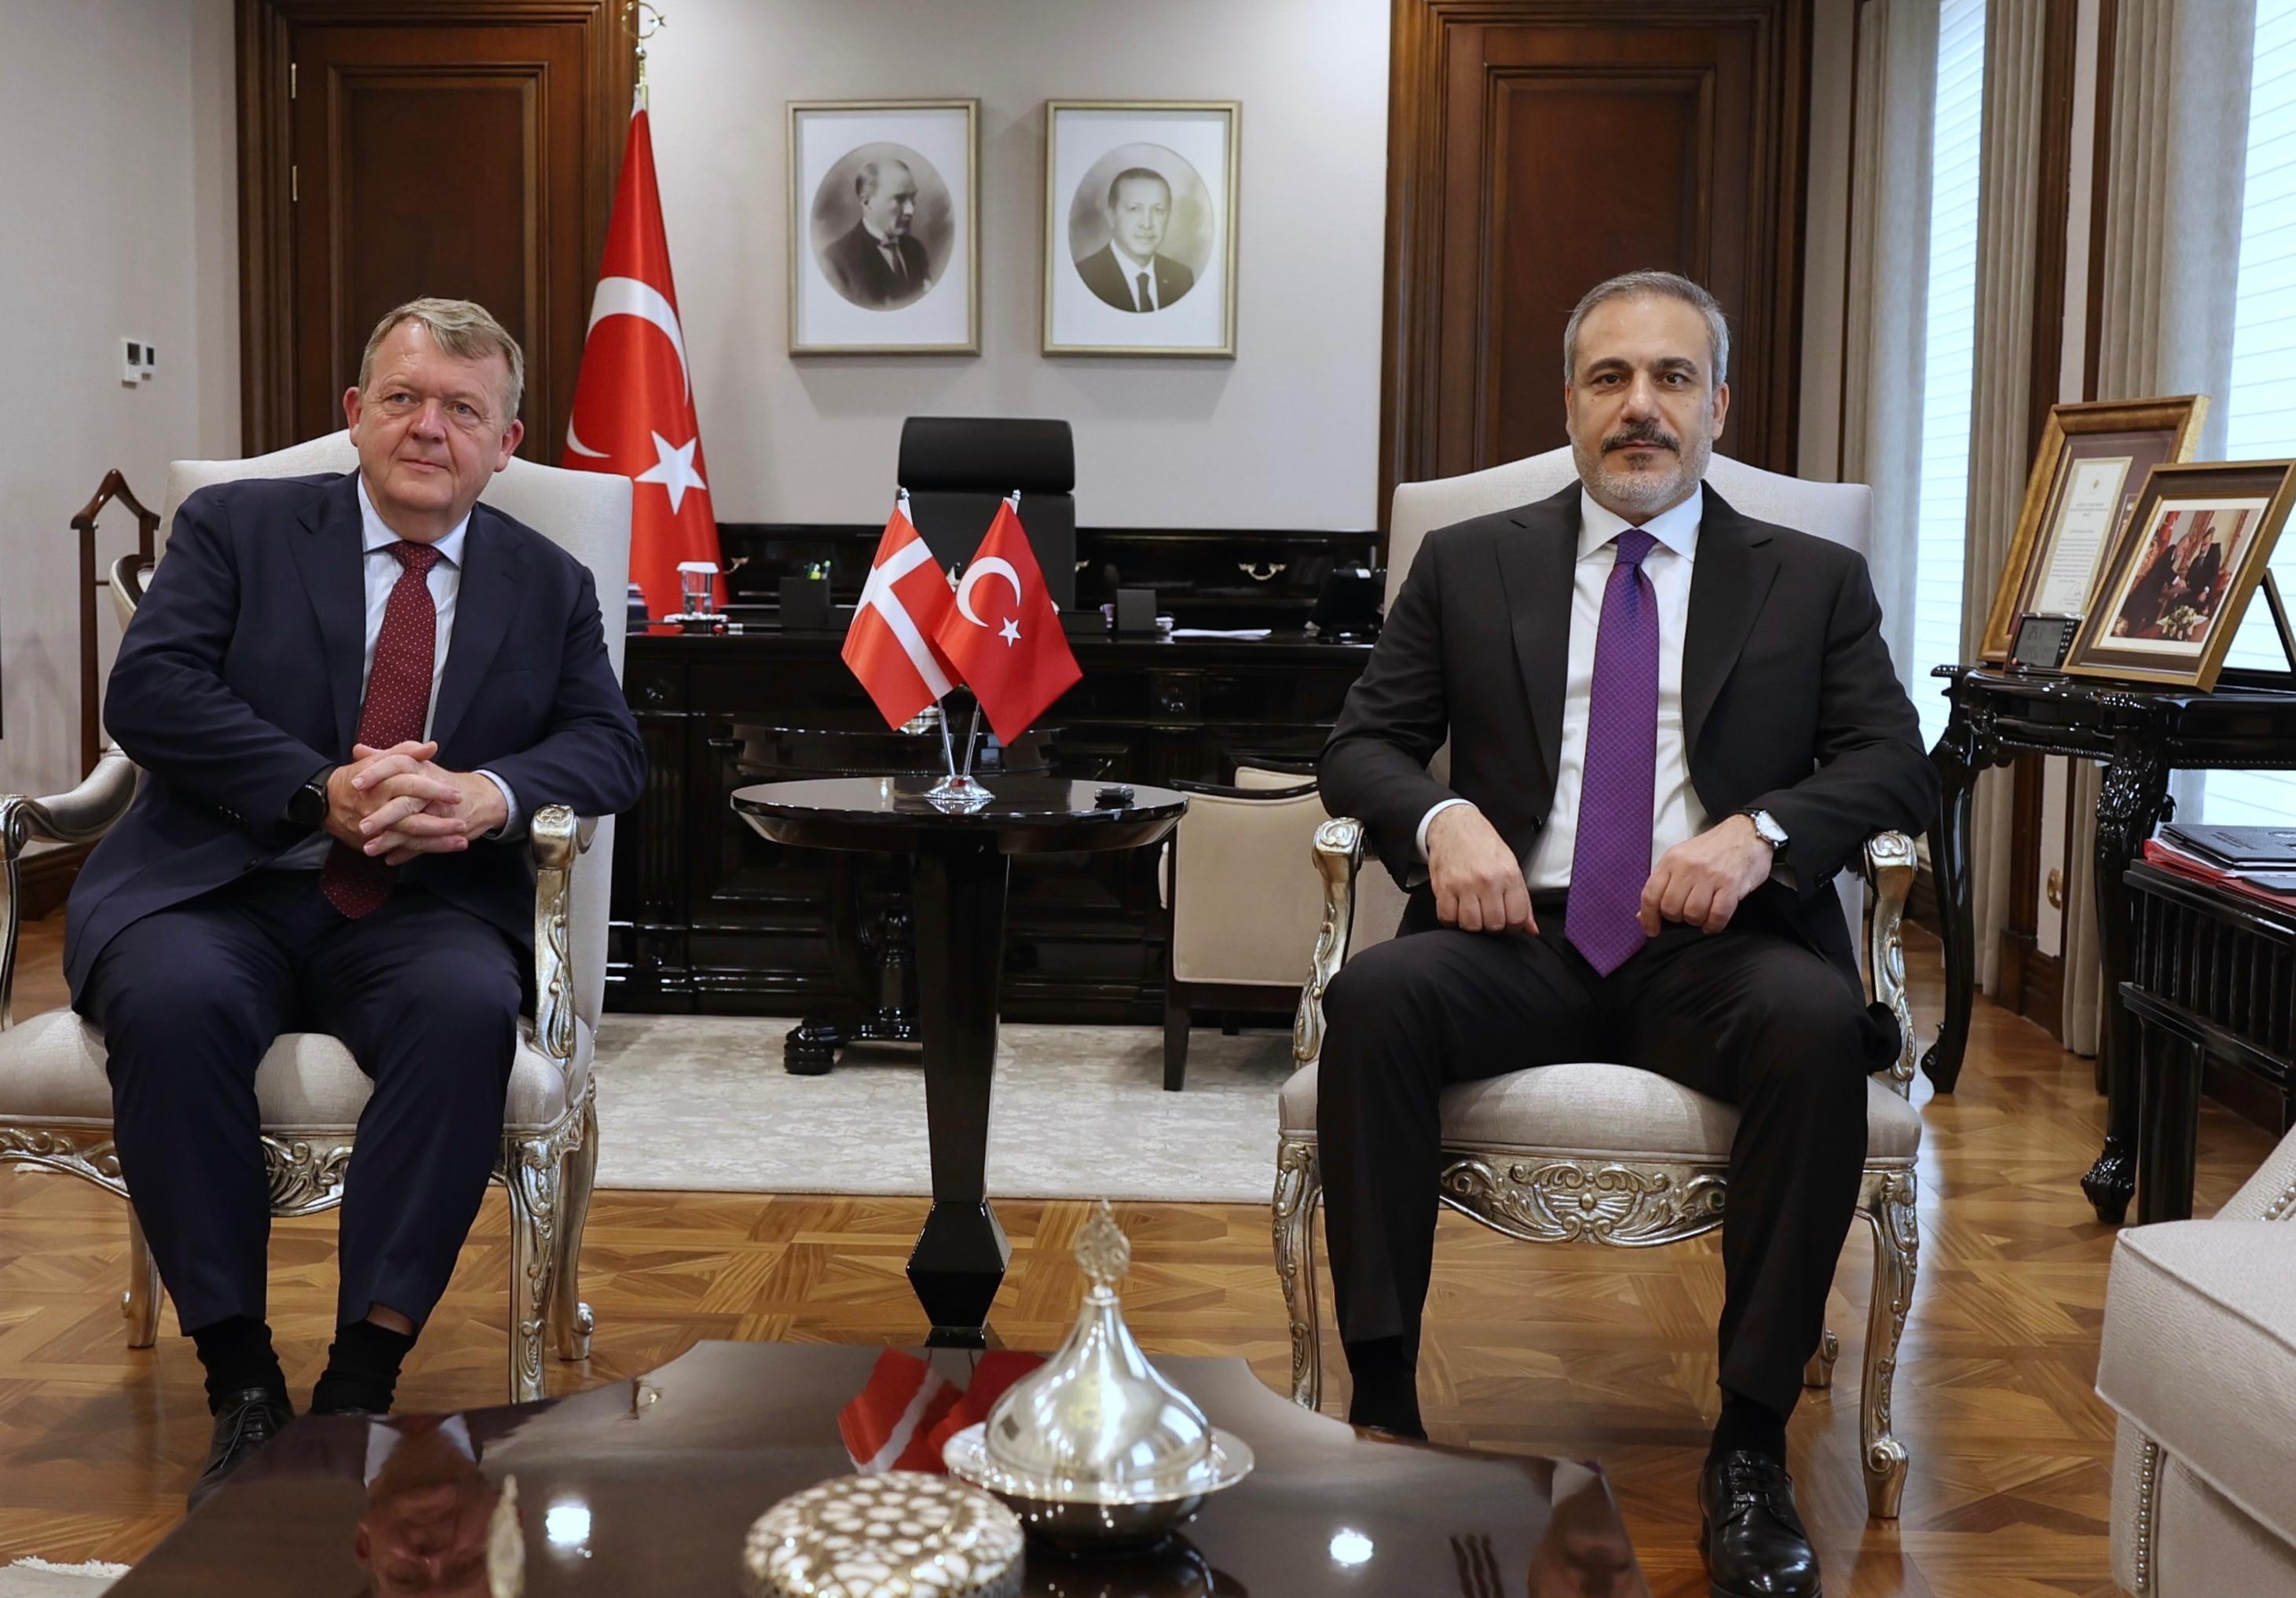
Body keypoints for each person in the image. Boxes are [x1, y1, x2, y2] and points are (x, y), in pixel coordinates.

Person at [1316, 270, 1936, 1598]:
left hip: (1710, 944)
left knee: (1816, 1024)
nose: (1637, 407)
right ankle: (1380, 1415)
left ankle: (1749, 1446)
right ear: (1569, 405)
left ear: (1718, 401)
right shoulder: (1467, 561)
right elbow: (1360, 743)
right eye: (1608, 378)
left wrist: (1758, 831)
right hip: (1510, 934)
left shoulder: (1809, 578)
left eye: (1668, 378)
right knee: (1372, 998)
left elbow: (1893, 762)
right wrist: (1438, 822)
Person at [64, 297, 646, 1508]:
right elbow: (152, 694)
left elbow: (608, 746)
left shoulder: (549, 582)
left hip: (422, 903)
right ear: (354, 415)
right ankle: (240, 1381)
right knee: (169, 1008)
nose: (428, 428)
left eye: (462, 410)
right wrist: (314, 789)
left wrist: (485, 795)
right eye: (403, 398)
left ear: (506, 441)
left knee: (460, 1015)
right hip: (217, 882)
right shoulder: (236, 527)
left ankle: (357, 1389)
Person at [1075, 167, 1196, 313]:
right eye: (1134, 209)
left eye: (1158, 210)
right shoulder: (1085, 276)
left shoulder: (1181, 278)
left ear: (1168, 217)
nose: (1147, 224)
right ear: (1111, 216)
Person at [822, 158, 932, 309]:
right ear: (867, 202)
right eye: (899, 199)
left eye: (913, 198)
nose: (910, 210)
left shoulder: (916, 249)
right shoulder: (835, 260)